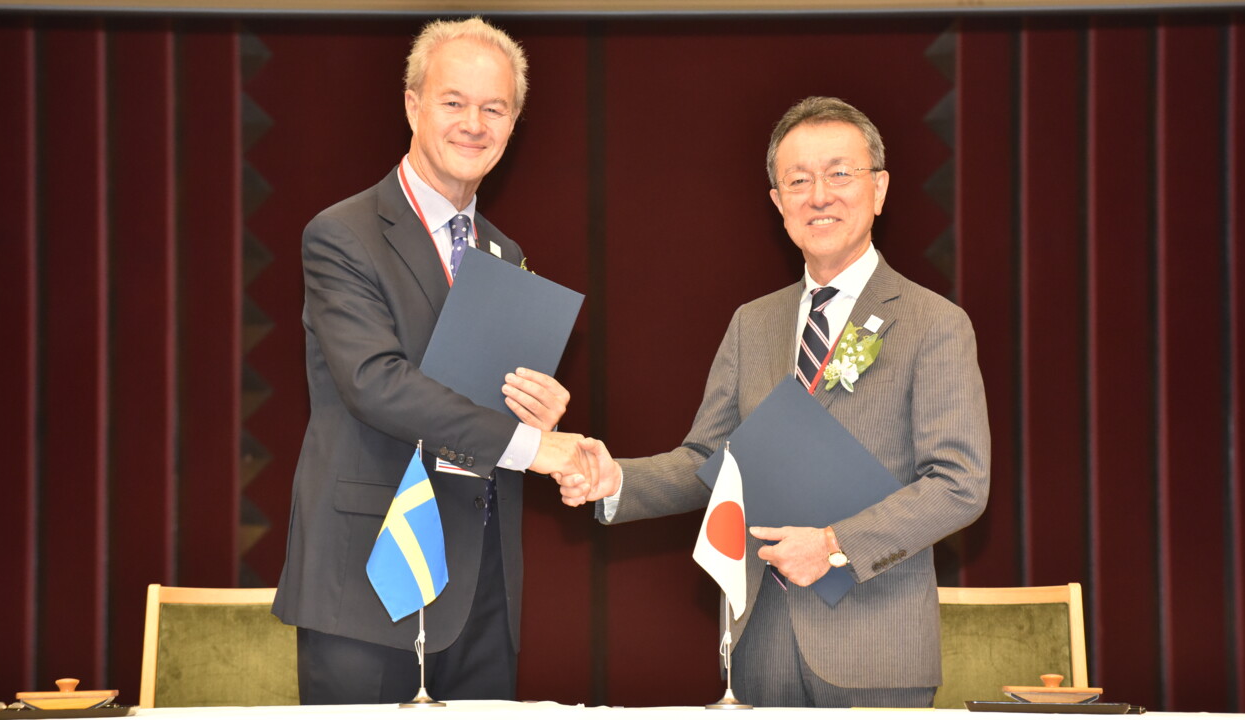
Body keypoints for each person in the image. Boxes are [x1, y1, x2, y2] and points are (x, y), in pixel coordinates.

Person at [561, 97, 991, 708]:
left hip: (876, 646)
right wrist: (617, 481)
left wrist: (834, 543)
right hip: (760, 643)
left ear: (879, 189)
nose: (820, 195)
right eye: (798, 181)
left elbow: (959, 484)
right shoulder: (753, 324)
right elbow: (710, 459)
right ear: (778, 202)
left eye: (840, 173)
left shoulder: (934, 323)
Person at [272, 17, 584, 704]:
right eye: (453, 102)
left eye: (494, 108)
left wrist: (539, 408)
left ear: (513, 124)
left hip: (483, 587)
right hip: (370, 581)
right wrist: (534, 447)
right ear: (413, 105)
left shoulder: (504, 253)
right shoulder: (342, 235)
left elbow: (482, 400)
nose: (474, 123)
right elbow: (375, 384)